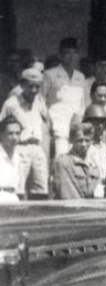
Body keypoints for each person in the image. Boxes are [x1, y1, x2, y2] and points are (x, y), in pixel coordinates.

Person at [0, 68, 49, 200]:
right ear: (22, 85)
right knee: (18, 186)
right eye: (30, 86)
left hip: (38, 147)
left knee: (41, 187)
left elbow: (45, 125)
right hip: (19, 147)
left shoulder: (40, 101)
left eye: (37, 86)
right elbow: (2, 126)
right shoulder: (11, 104)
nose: (34, 90)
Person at [43, 37, 86, 156]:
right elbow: (41, 102)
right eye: (68, 53)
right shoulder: (49, 75)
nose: (72, 56)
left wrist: (79, 120)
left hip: (76, 127)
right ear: (61, 55)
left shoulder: (80, 77)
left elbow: (82, 104)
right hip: (57, 127)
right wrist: (48, 124)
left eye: (75, 53)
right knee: (61, 160)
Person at [52, 122, 101, 199]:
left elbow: (100, 192)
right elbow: (68, 195)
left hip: (93, 208)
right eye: (80, 141)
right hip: (73, 208)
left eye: (87, 140)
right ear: (72, 141)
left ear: (91, 141)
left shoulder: (93, 163)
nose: (84, 144)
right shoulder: (63, 162)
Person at [81, 103, 106, 198]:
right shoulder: (84, 147)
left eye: (103, 124)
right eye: (96, 124)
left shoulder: (103, 147)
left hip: (103, 188)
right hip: (90, 188)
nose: (100, 128)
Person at [0, 115, 21, 203]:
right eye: (10, 133)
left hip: (14, 200)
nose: (15, 138)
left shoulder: (18, 157)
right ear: (1, 134)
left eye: (17, 133)